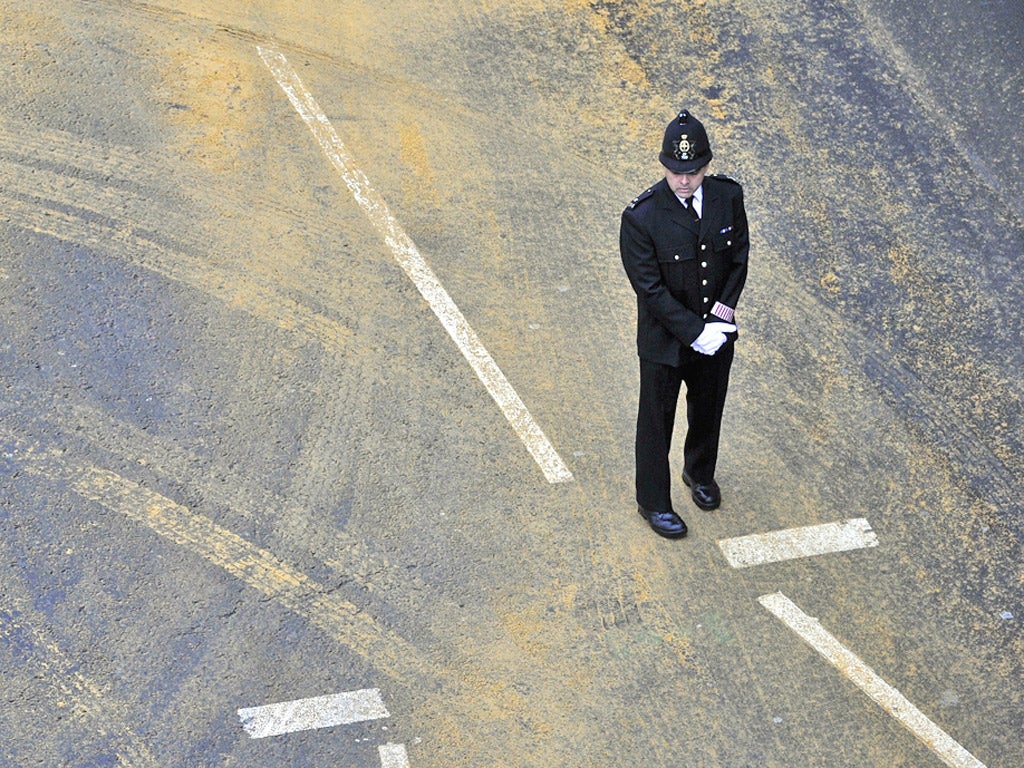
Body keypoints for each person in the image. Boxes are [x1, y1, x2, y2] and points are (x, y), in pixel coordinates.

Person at [619, 109, 749, 538]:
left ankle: (699, 473)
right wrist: (697, 331)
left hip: (715, 332)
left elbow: (738, 262)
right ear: (663, 166)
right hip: (665, 342)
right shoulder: (641, 217)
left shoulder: (728, 198)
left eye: (693, 171)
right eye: (676, 171)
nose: (684, 180)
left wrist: (720, 319)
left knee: (709, 408)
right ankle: (652, 501)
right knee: (656, 421)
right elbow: (650, 289)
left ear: (706, 167)